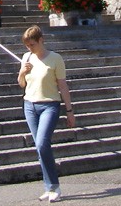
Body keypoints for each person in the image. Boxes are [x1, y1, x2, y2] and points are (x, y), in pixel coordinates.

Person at [18, 25, 75, 203]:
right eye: (27, 45)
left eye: (32, 44)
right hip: (29, 105)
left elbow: (62, 85)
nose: (30, 48)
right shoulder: (26, 57)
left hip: (49, 105)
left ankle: (54, 186)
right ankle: (49, 186)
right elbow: (21, 83)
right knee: (39, 147)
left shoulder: (55, 58)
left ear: (41, 40)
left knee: (43, 144)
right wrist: (22, 72)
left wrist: (69, 111)